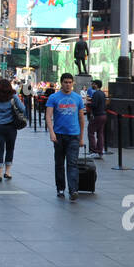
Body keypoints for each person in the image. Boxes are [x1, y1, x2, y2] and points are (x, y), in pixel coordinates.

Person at [46, 73, 87, 201]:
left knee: (72, 163)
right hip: (59, 135)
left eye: (70, 82)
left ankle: (73, 189)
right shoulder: (53, 97)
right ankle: (60, 188)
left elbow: (81, 118)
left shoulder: (78, 98)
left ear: (73, 83)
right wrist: (51, 133)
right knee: (59, 163)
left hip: (73, 135)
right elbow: (48, 116)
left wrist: (81, 137)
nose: (68, 85)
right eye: (65, 82)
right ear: (61, 83)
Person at [0, 79, 25, 181]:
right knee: (10, 148)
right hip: (11, 127)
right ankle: (8, 172)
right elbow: (23, 109)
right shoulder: (13, 97)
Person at [86, 79, 107, 155]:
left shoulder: (96, 94)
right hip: (103, 115)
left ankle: (93, 150)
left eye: (93, 84)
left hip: (97, 115)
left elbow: (94, 105)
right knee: (100, 133)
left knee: (90, 132)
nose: (92, 85)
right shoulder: (102, 93)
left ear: (97, 85)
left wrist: (88, 104)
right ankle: (100, 150)